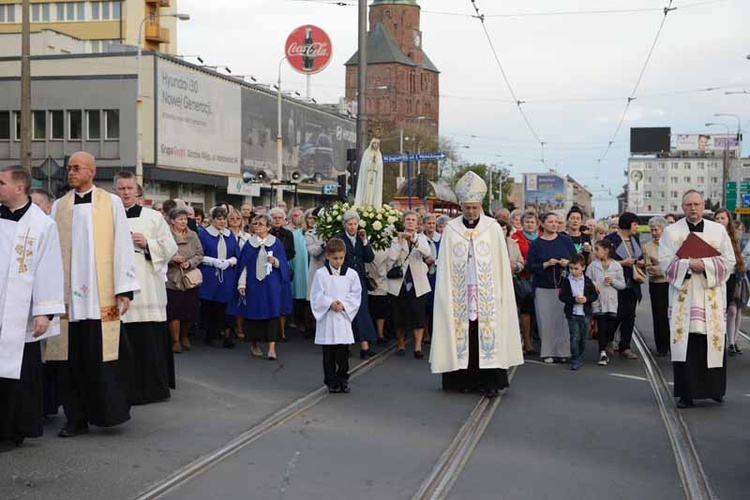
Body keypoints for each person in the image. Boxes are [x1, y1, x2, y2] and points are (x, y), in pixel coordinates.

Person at [47, 151, 140, 437]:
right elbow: (51, 253)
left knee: (102, 358)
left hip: (101, 296)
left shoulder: (110, 203)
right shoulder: (59, 207)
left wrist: (123, 290)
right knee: (70, 361)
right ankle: (75, 418)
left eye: (77, 168)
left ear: (91, 171)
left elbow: (123, 245)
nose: (71, 172)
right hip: (69, 301)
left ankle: (107, 412)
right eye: (69, 168)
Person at [430, 171, 524, 398]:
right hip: (459, 292)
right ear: (461, 206)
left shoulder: (492, 228)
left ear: (480, 205)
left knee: (487, 333)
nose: (471, 212)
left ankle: (490, 382)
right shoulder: (452, 229)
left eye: (474, 207)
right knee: (464, 333)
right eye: (467, 207)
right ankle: (461, 380)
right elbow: (445, 266)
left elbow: (501, 264)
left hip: (488, 292)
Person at [0, 166, 65, 448]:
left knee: (19, 371)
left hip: (21, 313)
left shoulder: (42, 225)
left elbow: (49, 268)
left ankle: (14, 430)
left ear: (19, 187)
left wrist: (44, 311)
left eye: (1, 182)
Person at [658, 190, 734, 408]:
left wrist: (706, 265)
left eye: (697, 204)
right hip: (685, 295)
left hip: (711, 294)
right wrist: (688, 264)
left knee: (713, 342)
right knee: (687, 345)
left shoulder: (718, 230)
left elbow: (729, 260)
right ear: (683, 207)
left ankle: (715, 390)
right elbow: (664, 262)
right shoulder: (671, 232)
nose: (693, 208)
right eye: (689, 204)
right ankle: (686, 393)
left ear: (703, 206)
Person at [114, 171, 178, 405]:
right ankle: (123, 389)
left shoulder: (152, 217)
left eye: (130, 188)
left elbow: (170, 247)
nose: (126, 192)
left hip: (147, 287)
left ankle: (152, 389)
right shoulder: (109, 216)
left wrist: (148, 243)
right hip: (118, 287)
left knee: (147, 341)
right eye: (121, 188)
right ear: (115, 191)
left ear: (138, 191)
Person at [234, 214, 291, 360]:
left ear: (268, 227)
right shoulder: (249, 243)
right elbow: (243, 265)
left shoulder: (276, 243)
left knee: (273, 313)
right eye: (255, 223)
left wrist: (275, 261)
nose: (257, 226)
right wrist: (242, 283)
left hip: (271, 284)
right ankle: (254, 344)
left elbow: (283, 264)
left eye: (260, 224)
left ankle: (272, 347)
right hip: (254, 283)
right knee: (253, 314)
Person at [311, 238, 362, 393]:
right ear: (328, 256)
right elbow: (316, 295)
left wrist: (344, 305)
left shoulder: (351, 274)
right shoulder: (321, 274)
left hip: (342, 319)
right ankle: (331, 381)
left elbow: (356, 294)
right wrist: (329, 303)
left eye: (341, 258)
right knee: (328, 355)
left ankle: (343, 379)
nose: (338, 261)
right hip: (327, 317)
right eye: (335, 258)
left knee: (343, 355)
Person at [527, 212, 577, 363]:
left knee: (562, 319)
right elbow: (530, 267)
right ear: (542, 224)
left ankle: (563, 352)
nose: (554, 224)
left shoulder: (565, 241)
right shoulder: (536, 244)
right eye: (550, 222)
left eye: (556, 222)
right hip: (543, 286)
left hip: (563, 286)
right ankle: (547, 351)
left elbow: (576, 260)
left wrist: (567, 263)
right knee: (545, 320)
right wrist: (546, 264)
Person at [387, 211, 432, 359]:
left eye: (413, 220)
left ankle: (418, 346)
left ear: (417, 223)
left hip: (417, 281)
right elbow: (392, 257)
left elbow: (427, 253)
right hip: (400, 282)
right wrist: (400, 242)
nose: (410, 222)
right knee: (399, 314)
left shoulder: (422, 238)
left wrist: (414, 241)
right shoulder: (395, 239)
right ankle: (401, 343)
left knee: (418, 315)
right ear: (403, 221)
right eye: (408, 219)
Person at [335, 210, 377, 358]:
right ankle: (346, 344)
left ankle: (364, 346)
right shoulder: (339, 239)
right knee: (346, 311)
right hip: (344, 280)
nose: (353, 227)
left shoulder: (361, 239)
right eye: (349, 224)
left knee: (362, 310)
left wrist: (365, 242)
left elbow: (369, 257)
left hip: (359, 280)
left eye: (355, 224)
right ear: (344, 225)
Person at [604, 212, 644, 360]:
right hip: (616, 283)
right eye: (635, 224)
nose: (637, 228)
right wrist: (621, 263)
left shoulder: (635, 239)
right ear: (627, 224)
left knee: (630, 316)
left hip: (632, 283)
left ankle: (625, 346)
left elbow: (640, 257)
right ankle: (608, 340)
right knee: (616, 314)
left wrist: (640, 262)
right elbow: (603, 260)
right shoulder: (611, 240)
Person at [198, 207, 239, 348]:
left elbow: (236, 253)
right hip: (210, 273)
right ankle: (211, 334)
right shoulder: (204, 234)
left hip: (227, 274)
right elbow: (199, 254)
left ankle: (227, 335)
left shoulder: (230, 235)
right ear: (212, 219)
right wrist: (213, 261)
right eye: (219, 219)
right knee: (211, 304)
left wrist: (230, 261)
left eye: (223, 219)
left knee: (227, 304)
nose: (222, 222)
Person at [166, 208, 203, 353]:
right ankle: (175, 341)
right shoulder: (166, 234)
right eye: (180, 219)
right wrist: (173, 259)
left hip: (189, 277)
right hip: (172, 277)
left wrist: (190, 263)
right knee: (174, 311)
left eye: (185, 219)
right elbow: (160, 253)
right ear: (172, 221)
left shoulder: (193, 235)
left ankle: (184, 336)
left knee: (189, 310)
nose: (183, 222)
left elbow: (200, 254)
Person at [586, 239, 625, 366]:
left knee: (610, 327)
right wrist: (594, 285)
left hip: (612, 302)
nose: (595, 252)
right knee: (601, 327)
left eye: (597, 249)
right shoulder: (592, 265)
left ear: (606, 250)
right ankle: (602, 352)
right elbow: (586, 280)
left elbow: (622, 285)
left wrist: (613, 281)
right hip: (598, 301)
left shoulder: (616, 265)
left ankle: (608, 343)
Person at [559, 253, 598, 370]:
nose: (573, 271)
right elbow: (562, 297)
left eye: (576, 268)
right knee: (574, 336)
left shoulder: (587, 281)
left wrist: (586, 299)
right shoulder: (566, 281)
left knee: (583, 337)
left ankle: (580, 355)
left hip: (585, 313)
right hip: (572, 313)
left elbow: (594, 295)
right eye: (571, 268)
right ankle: (575, 358)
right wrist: (574, 300)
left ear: (583, 267)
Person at [715, 208, 745, 356]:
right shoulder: (712, 235)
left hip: (734, 276)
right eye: (717, 219)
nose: (720, 221)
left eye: (723, 218)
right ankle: (722, 340)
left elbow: (739, 257)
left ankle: (732, 341)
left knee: (733, 309)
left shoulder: (733, 237)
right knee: (723, 310)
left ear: (728, 221)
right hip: (718, 277)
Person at [511, 211, 539, 354]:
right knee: (526, 308)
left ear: (537, 224)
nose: (529, 224)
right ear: (522, 223)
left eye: (532, 222)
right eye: (527, 222)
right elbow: (515, 255)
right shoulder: (516, 237)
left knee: (536, 310)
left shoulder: (541, 236)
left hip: (539, 276)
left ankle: (533, 337)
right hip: (523, 276)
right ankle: (526, 341)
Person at [643, 216, 670, 357]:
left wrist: (659, 267)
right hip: (656, 285)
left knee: (672, 315)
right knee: (659, 316)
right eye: (652, 230)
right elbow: (649, 269)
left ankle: (673, 343)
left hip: (671, 285)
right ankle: (661, 346)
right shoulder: (647, 247)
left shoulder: (672, 245)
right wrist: (665, 269)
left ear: (663, 229)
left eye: (656, 230)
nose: (654, 232)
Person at [269, 207, 295, 340]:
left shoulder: (289, 234)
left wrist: (281, 259)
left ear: (284, 220)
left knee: (283, 300)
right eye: (274, 217)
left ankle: (282, 332)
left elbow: (292, 251)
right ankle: (271, 331)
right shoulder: (267, 233)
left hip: (282, 267)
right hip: (268, 268)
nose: (277, 220)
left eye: (279, 218)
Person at [288, 208, 310, 336]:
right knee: (300, 298)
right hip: (300, 269)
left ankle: (310, 323)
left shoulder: (320, 234)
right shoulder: (296, 235)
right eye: (309, 218)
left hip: (313, 267)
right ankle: (301, 322)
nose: (312, 221)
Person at [354, 138, 384, 208]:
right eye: (374, 143)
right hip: (367, 174)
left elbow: (380, 166)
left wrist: (375, 163)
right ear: (372, 144)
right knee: (366, 190)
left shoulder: (379, 154)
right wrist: (371, 162)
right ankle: (364, 203)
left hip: (375, 175)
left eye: (377, 144)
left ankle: (373, 204)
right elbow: (364, 164)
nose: (375, 145)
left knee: (374, 191)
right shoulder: (367, 153)